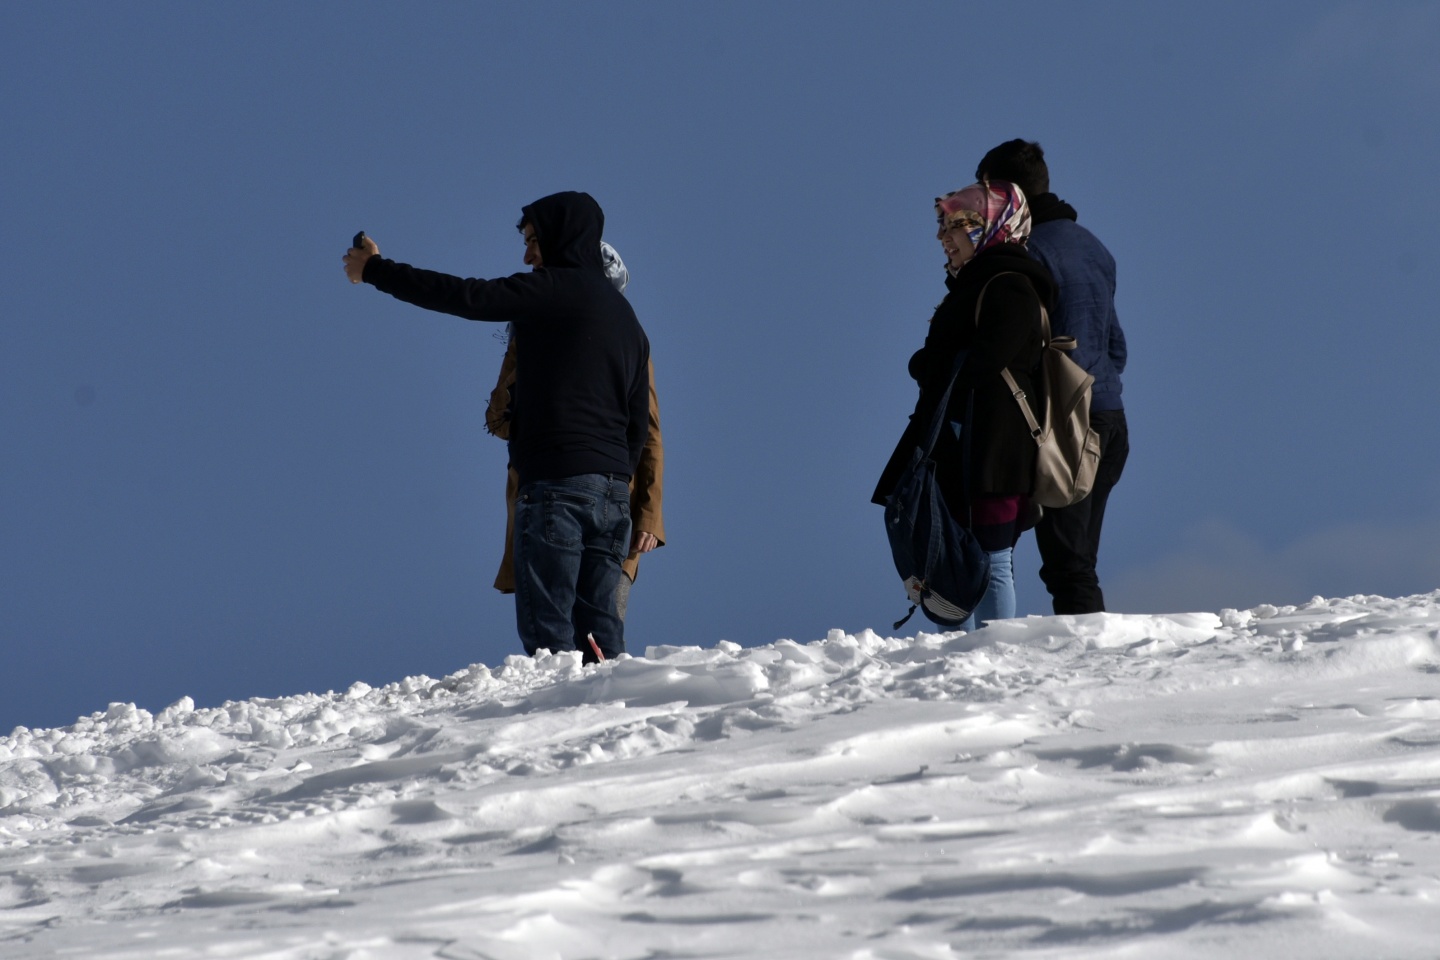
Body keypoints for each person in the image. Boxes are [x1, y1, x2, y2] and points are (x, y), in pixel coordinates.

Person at [343, 191, 649, 661]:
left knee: (551, 643)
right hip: (612, 497)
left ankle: (560, 730)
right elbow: (638, 424)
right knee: (602, 640)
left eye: (533, 241)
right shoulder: (629, 322)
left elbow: (466, 296)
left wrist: (375, 270)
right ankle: (611, 722)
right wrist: (616, 477)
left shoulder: (552, 291)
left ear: (561, 237)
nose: (527, 256)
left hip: (556, 486)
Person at [873, 181, 1057, 630]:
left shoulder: (1009, 284)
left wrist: (927, 363)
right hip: (963, 444)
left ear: (990, 227)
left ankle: (991, 659)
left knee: (990, 556)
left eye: (957, 226)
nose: (944, 238)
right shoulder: (975, 284)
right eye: (942, 227)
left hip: (995, 446)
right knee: (947, 553)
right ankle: (957, 659)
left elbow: (987, 361)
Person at [975, 140, 1129, 615]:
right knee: (1078, 559)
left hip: (1066, 425)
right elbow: (1116, 347)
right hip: (1110, 416)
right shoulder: (1093, 247)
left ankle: (1090, 674)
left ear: (1005, 195)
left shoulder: (1027, 253)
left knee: (1067, 567)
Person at [486, 242, 665, 620]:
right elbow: (500, 422)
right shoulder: (532, 335)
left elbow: (648, 431)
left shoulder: (624, 339)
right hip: (543, 497)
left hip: (610, 505)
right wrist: (521, 349)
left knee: (595, 637)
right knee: (555, 642)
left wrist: (649, 515)